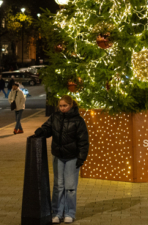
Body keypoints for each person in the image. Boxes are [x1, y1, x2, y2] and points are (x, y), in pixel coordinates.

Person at [32, 95, 89, 224]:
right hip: (58, 156)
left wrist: (81, 157)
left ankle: (69, 212)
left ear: (71, 105)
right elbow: (48, 128)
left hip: (72, 158)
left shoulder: (78, 120)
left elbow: (83, 141)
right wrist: (42, 131)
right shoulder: (55, 117)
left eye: (65, 106)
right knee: (58, 186)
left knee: (70, 187)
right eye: (61, 106)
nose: (62, 108)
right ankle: (57, 212)